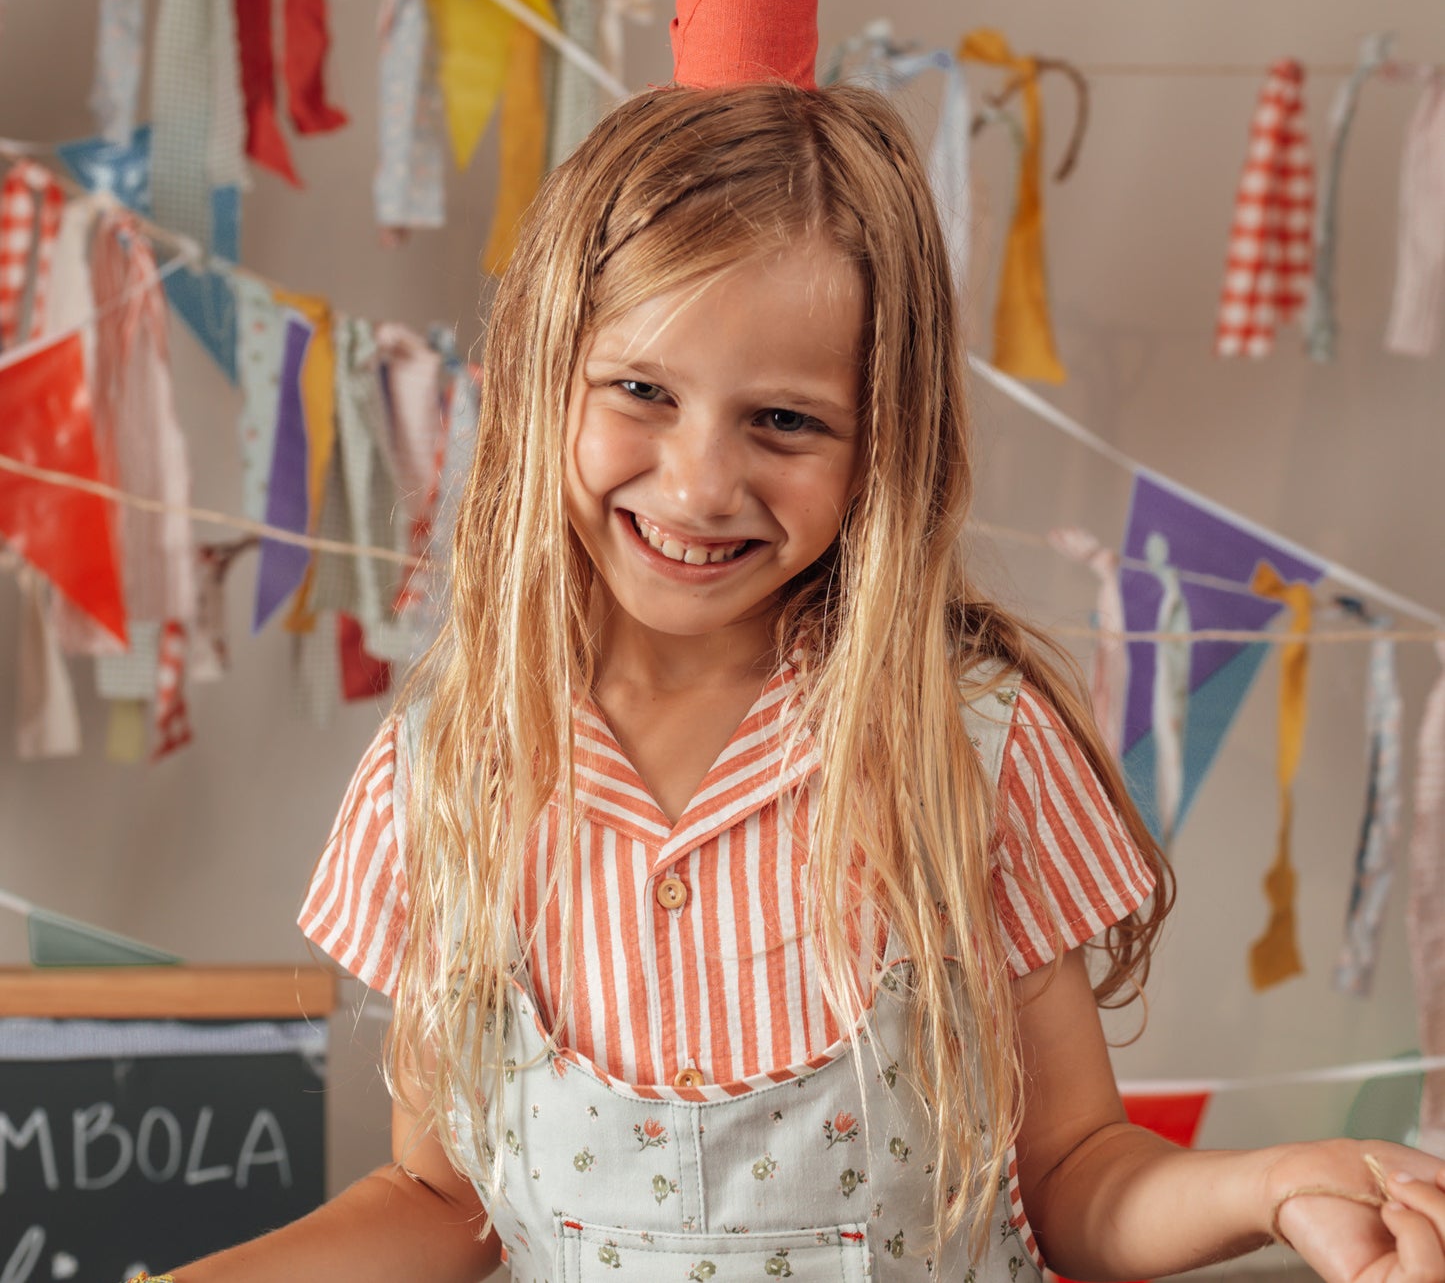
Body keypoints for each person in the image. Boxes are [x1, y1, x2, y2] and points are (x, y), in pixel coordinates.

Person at [139, 78, 1445, 1283]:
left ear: (883, 441)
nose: (701, 481)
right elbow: (439, 1193)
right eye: (640, 389)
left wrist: (1272, 1182)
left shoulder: (972, 745)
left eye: (784, 419)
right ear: (541, 381)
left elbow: (1073, 1176)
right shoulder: (447, 773)